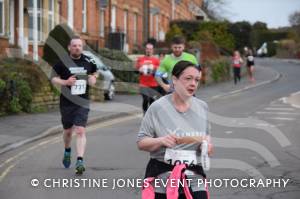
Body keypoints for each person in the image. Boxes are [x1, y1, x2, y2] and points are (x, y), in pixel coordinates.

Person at [137, 60, 213, 199]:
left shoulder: (202, 107)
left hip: (193, 174)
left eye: (197, 80)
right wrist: (161, 141)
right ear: (175, 80)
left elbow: (206, 138)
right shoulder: (157, 107)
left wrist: (207, 145)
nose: (193, 84)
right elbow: (141, 142)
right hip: (162, 175)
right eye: (188, 78)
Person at [51, 35, 98, 175]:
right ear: (69, 47)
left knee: (80, 130)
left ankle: (80, 160)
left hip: (82, 102)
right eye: (74, 45)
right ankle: (67, 150)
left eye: (79, 45)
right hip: (66, 102)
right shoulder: (62, 62)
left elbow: (95, 71)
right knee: (67, 131)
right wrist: (65, 82)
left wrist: (93, 77)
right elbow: (53, 78)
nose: (77, 48)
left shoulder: (88, 60)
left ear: (82, 47)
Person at [136, 42, 161, 114]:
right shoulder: (140, 59)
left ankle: (150, 116)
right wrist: (139, 69)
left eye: (150, 49)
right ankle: (145, 114)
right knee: (146, 99)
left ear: (153, 50)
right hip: (143, 84)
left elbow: (160, 70)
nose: (148, 50)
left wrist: (154, 67)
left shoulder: (156, 60)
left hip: (153, 84)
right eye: (147, 49)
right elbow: (136, 69)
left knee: (152, 101)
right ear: (145, 50)